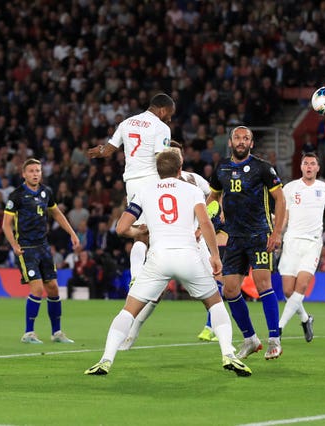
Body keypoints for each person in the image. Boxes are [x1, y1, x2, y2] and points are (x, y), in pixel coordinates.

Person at [84, 151, 251, 377]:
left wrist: (140, 231)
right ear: (180, 169)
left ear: (157, 170)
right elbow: (205, 223)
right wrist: (214, 255)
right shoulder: (192, 191)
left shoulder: (145, 191)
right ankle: (227, 354)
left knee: (129, 310)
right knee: (215, 303)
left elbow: (121, 228)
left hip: (158, 258)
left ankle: (106, 359)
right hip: (188, 256)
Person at [118, 140, 222, 350]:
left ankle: (215, 330)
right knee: (158, 292)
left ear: (181, 159)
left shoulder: (194, 179)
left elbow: (214, 198)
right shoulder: (152, 185)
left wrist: (206, 224)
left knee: (217, 280)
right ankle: (134, 330)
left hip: (196, 241)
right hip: (167, 243)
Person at [206, 126, 286, 360]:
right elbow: (212, 197)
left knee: (263, 284)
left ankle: (274, 339)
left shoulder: (263, 168)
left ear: (252, 144)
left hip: (260, 235)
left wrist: (277, 232)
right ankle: (250, 339)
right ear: (230, 143)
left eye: (246, 138)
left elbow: (280, 200)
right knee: (230, 290)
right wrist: (208, 218)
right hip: (234, 238)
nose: (241, 141)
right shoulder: (221, 168)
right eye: (237, 138)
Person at [87, 93, 175, 302]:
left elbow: (107, 150)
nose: (170, 119)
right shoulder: (161, 127)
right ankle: (141, 279)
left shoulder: (127, 122)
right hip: (152, 181)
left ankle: (139, 277)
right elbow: (160, 159)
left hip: (132, 184)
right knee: (156, 232)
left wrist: (97, 151)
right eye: (169, 114)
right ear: (162, 110)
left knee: (143, 234)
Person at [2, 158, 80, 344]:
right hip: (26, 248)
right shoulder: (17, 196)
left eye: (38, 170)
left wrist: (72, 233)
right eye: (31, 171)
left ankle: (57, 333)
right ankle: (28, 333)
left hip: (43, 247)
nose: (35, 174)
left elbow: (57, 214)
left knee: (52, 287)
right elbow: (6, 225)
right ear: (24, 174)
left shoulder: (46, 192)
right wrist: (14, 245)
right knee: (37, 288)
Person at [278, 153, 325, 342]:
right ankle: (306, 319)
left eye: (313, 164)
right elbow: (285, 216)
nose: (309, 167)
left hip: (312, 243)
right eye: (306, 163)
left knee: (302, 285)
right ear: (301, 167)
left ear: (318, 168)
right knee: (289, 291)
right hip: (291, 242)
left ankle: (278, 329)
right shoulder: (290, 188)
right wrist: (277, 235)